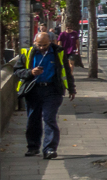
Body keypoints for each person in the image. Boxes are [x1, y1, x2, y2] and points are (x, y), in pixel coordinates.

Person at [14, 31, 76, 159]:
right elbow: (17, 71)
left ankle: (49, 149)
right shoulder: (27, 53)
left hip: (52, 90)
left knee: (49, 118)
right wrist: (30, 72)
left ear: (51, 42)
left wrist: (71, 88)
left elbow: (66, 70)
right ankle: (33, 147)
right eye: (39, 45)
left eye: (45, 45)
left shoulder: (58, 52)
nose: (42, 47)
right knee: (33, 120)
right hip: (33, 90)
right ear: (34, 42)